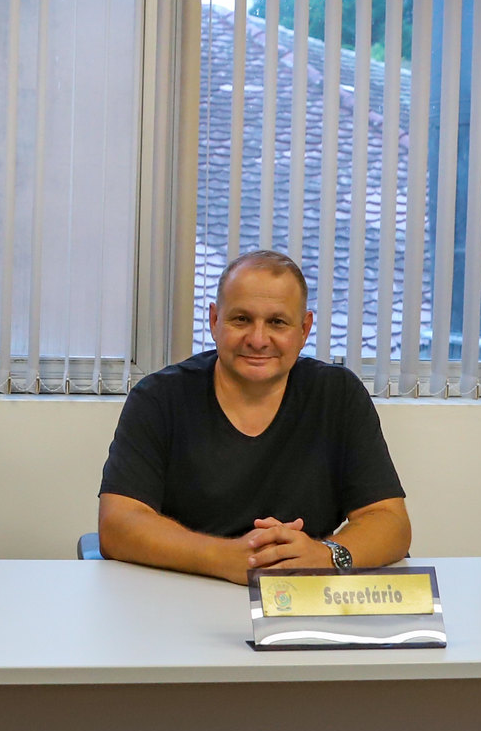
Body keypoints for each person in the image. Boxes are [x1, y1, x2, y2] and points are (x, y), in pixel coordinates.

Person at [98, 249, 411, 585]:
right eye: (241, 319)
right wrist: (225, 558)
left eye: (277, 322)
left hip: (302, 590)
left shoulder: (338, 396)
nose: (258, 340)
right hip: (183, 588)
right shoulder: (159, 398)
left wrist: (325, 556)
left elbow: (390, 521)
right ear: (215, 321)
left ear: (304, 329)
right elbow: (118, 524)